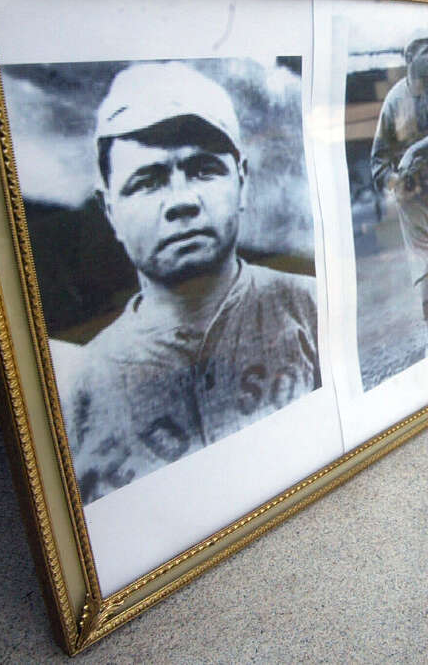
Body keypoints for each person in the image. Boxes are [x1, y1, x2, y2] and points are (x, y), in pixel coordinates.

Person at [64, 61, 320, 504]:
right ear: (109, 210)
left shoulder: (311, 308)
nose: (182, 201)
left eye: (204, 170)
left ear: (241, 181)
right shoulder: (79, 390)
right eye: (148, 181)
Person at [369, 34, 428, 353]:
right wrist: (395, 183)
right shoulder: (393, 101)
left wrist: (414, 151)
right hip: (409, 189)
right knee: (425, 259)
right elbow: (378, 157)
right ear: (410, 58)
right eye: (425, 51)